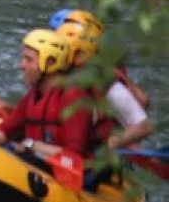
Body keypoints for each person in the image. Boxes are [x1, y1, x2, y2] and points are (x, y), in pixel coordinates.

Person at [0, 29, 93, 159]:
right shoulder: (33, 95)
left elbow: (74, 157)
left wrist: (31, 145)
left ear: (50, 63)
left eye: (28, 60)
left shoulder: (73, 96)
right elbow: (5, 128)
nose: (22, 65)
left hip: (66, 174)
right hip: (37, 166)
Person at [56, 18, 152, 151]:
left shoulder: (107, 84)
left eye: (64, 50)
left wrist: (107, 146)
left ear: (80, 53)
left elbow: (144, 127)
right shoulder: (61, 79)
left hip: (105, 157)